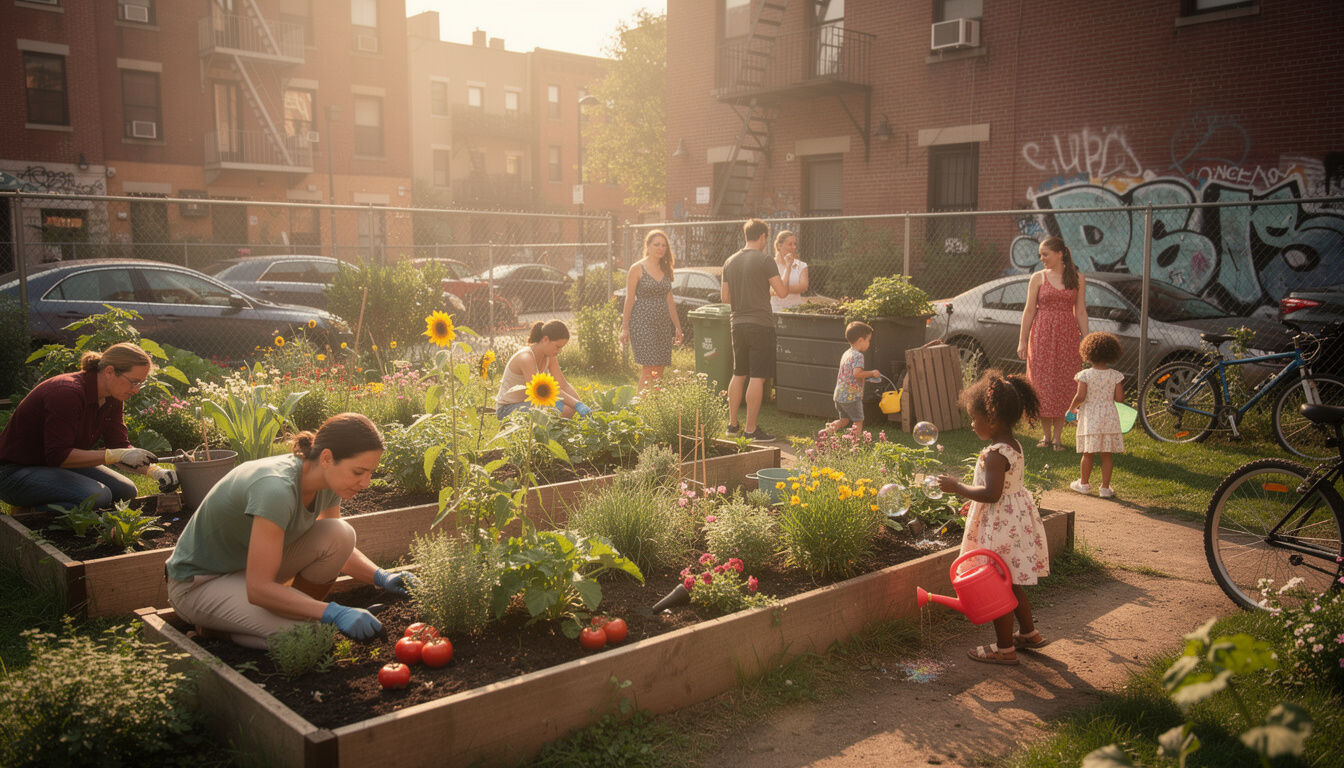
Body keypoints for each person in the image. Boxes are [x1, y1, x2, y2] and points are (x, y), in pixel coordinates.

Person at [165, 413, 417, 649]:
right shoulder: (276, 489)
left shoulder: (328, 481)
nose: (366, 483)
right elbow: (258, 588)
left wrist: (382, 577)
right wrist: (334, 612)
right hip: (199, 584)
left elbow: (338, 548)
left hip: (248, 570)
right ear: (327, 458)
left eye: (370, 473)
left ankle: (289, 614)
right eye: (358, 472)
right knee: (311, 638)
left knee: (340, 534)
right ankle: (216, 630)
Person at [937, 369, 1050, 666]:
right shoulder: (1014, 446)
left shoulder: (995, 455)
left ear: (992, 419)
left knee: (997, 585)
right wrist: (973, 504)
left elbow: (991, 493)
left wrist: (958, 487)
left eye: (974, 418)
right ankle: (1029, 633)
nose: (972, 424)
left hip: (1000, 528)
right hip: (1011, 522)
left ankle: (1004, 649)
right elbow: (1000, 492)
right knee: (1010, 582)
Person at [0, 342, 177, 513]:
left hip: (54, 465)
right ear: (109, 371)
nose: (136, 390)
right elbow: (58, 455)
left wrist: (155, 471)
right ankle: (28, 513)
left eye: (140, 383)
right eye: (134, 382)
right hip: (15, 472)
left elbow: (119, 446)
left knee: (126, 491)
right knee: (97, 496)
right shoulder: (67, 392)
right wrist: (115, 455)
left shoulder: (113, 398)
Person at [1016, 236, 1088, 451]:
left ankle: (1058, 437)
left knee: (1064, 382)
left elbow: (1081, 311)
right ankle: (1046, 436)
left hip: (1067, 336)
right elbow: (1029, 310)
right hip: (1042, 336)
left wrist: (1087, 339)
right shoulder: (1038, 277)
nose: (1042, 258)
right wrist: (1022, 340)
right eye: (1041, 255)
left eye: (1045, 254)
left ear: (1059, 253)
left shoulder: (1077, 278)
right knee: (1042, 383)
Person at [722, 218, 787, 441]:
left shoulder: (730, 261)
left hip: (737, 323)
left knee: (738, 374)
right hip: (760, 324)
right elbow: (782, 292)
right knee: (757, 377)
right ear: (762, 237)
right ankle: (751, 430)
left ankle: (732, 426)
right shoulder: (765, 260)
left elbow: (724, 297)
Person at [620, 229, 683, 388]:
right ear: (648, 246)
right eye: (656, 244)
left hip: (662, 324)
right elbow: (629, 299)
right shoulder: (637, 268)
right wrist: (624, 328)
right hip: (642, 322)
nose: (661, 248)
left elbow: (670, 301)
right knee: (649, 369)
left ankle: (653, 403)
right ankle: (640, 404)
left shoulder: (666, 268)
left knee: (659, 369)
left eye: (663, 245)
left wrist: (678, 327)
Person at [1067, 332, 1125, 498]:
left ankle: (1084, 484)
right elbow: (1119, 399)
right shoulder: (1115, 375)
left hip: (1091, 417)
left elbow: (1080, 396)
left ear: (1088, 352)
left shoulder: (1085, 375)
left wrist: (1071, 409)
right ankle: (1105, 488)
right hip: (1109, 417)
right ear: (1112, 353)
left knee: (1088, 453)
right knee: (1106, 454)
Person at [495, 320, 590, 419]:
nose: (559, 351)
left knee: (568, 408)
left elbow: (563, 385)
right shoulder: (526, 358)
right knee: (560, 410)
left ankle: (554, 427)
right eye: (557, 347)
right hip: (508, 408)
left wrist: (580, 404)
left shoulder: (550, 356)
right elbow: (541, 390)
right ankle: (550, 427)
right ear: (545, 340)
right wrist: (576, 404)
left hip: (531, 403)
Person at [831, 321, 879, 432]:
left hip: (839, 395)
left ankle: (828, 430)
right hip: (850, 396)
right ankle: (855, 442)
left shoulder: (847, 353)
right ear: (860, 340)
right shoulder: (858, 356)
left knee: (844, 420)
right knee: (858, 421)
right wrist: (872, 373)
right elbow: (857, 374)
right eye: (868, 340)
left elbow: (853, 376)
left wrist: (862, 388)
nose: (869, 343)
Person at [770, 230, 809, 312]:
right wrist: (787, 288)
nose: (794, 247)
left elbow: (804, 286)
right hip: (774, 310)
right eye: (790, 244)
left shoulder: (801, 265)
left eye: (795, 244)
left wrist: (779, 288)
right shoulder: (770, 264)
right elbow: (766, 289)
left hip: (796, 310)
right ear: (779, 246)